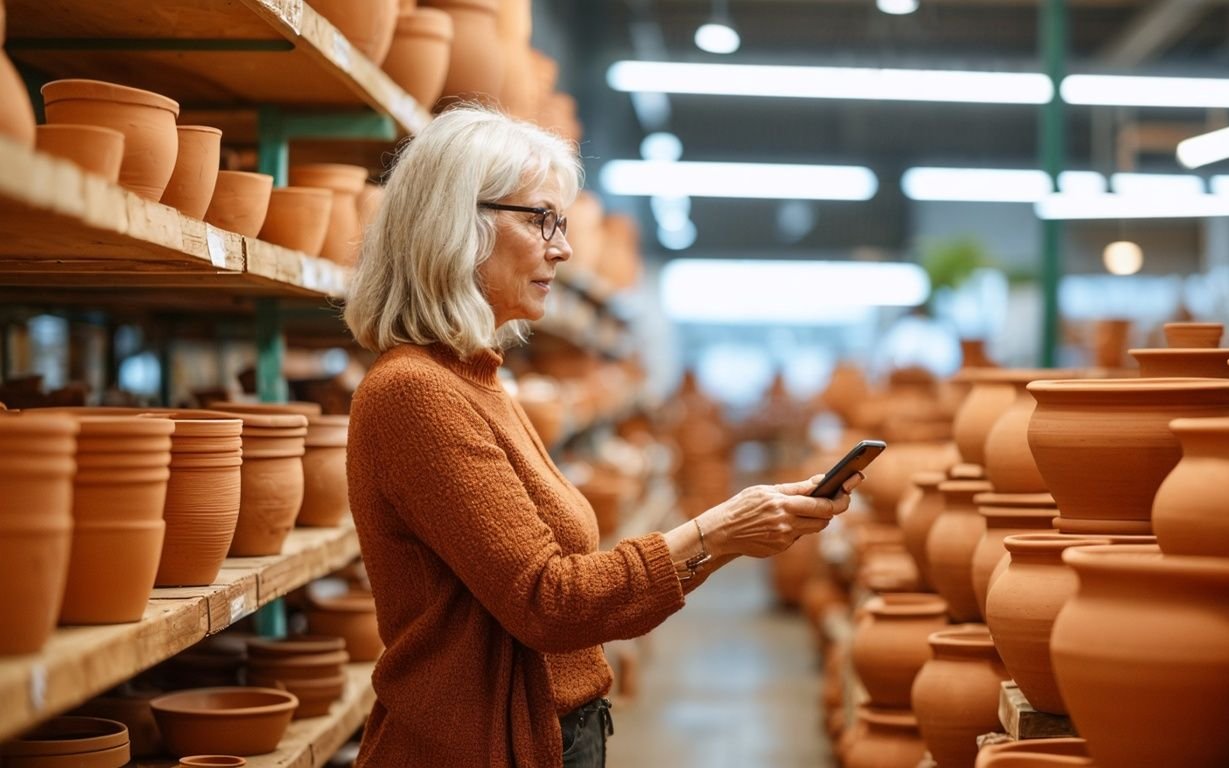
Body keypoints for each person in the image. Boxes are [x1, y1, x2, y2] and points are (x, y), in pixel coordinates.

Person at [341, 105, 863, 768]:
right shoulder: (416, 394)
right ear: (456, 225)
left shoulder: (476, 383)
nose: (562, 247)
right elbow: (550, 602)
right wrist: (720, 532)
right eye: (541, 220)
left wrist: (729, 534)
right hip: (478, 747)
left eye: (563, 222)